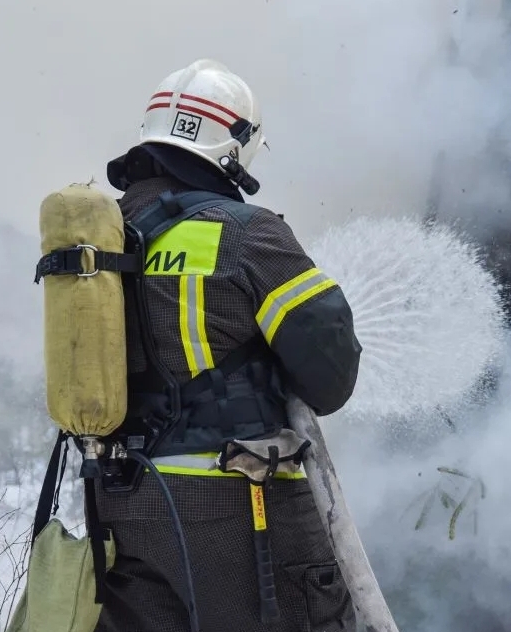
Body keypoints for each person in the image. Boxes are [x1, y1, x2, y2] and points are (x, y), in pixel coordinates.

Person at [93, 58, 363, 632]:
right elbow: (330, 379)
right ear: (234, 147)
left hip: (122, 499)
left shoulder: (103, 237)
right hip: (236, 503)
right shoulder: (248, 234)